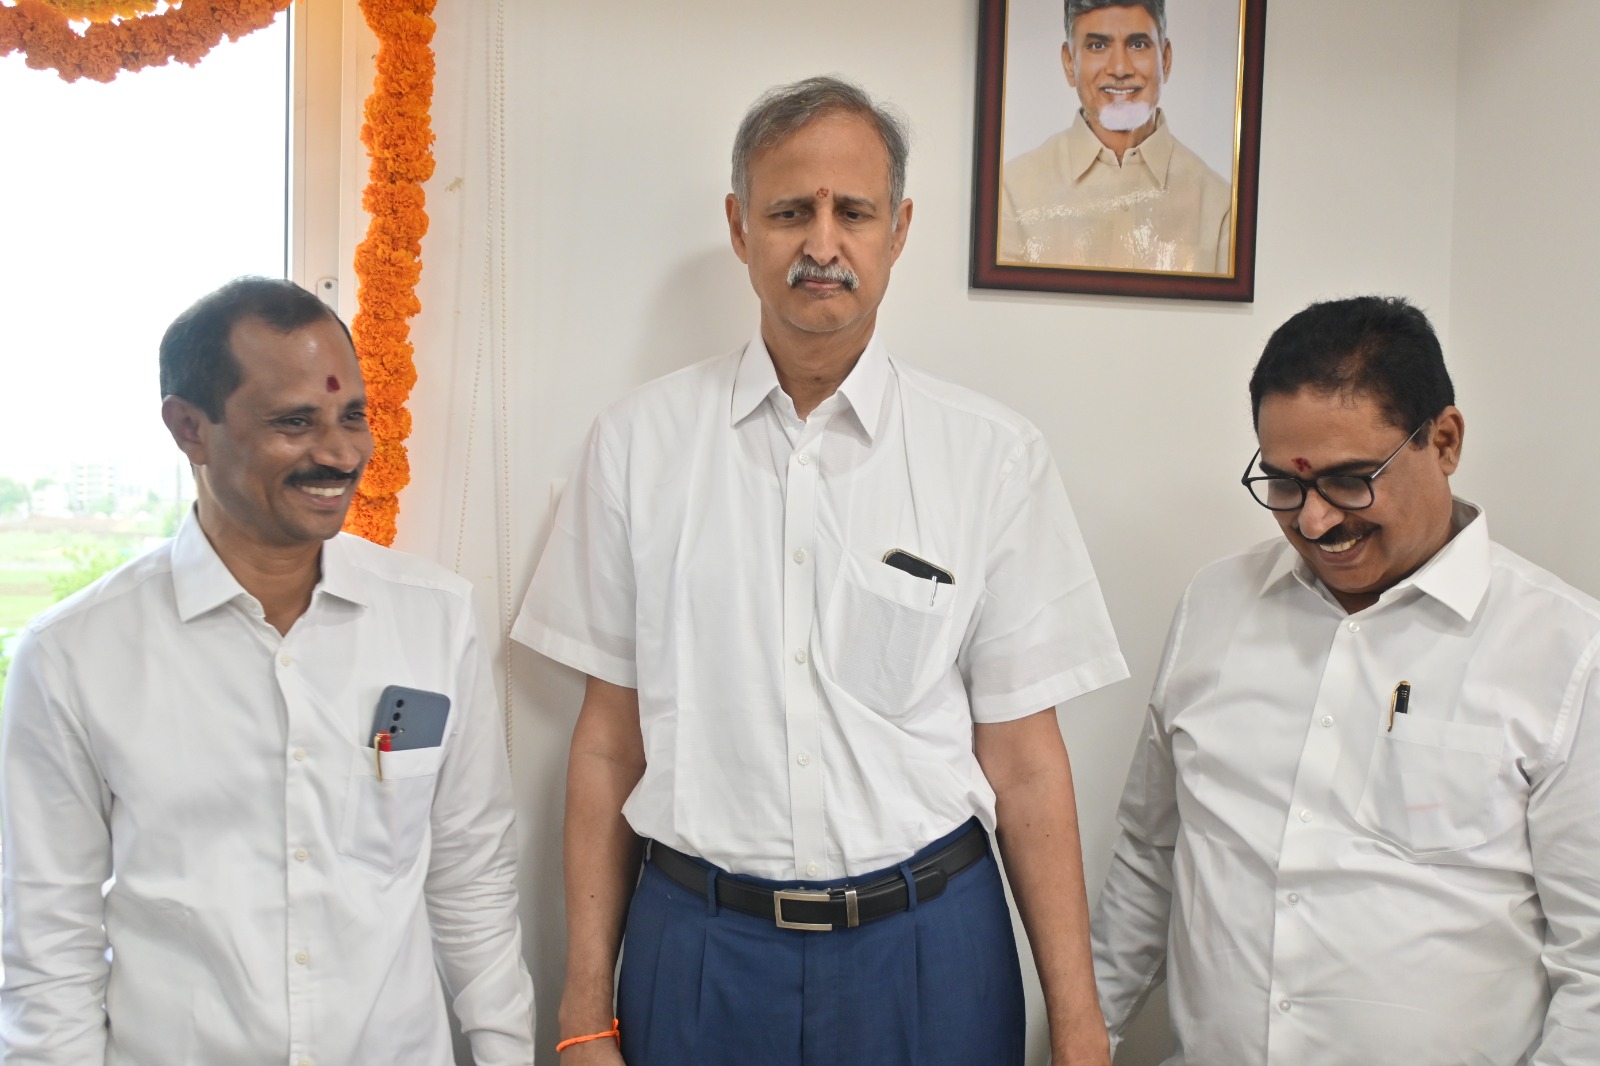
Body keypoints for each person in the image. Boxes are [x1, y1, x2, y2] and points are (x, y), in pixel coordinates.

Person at [515, 76, 1127, 1066]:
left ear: (899, 230)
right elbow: (607, 743)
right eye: (790, 211)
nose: (823, 242)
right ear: (739, 226)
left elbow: (1023, 760)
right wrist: (584, 1005)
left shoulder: (991, 456)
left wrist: (1081, 1024)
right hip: (700, 949)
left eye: (855, 213)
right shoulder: (634, 446)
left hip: (930, 949)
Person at [0, 278, 536, 1065]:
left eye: (352, 416)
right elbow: (50, 947)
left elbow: (472, 877)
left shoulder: (434, 618)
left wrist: (506, 1053)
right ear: (190, 429)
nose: (341, 454)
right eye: (295, 422)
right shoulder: (73, 655)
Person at [1091, 295, 1600, 1064]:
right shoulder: (1214, 605)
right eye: (1284, 485)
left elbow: (1591, 961)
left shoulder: (1564, 651)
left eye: (1351, 480)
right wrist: (1085, 1031)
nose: (1315, 521)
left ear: (1445, 440)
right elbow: (1148, 855)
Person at [999, 0, 1232, 272]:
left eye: (1138, 44)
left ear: (1166, 60)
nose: (1120, 68)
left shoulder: (1221, 207)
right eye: (1098, 46)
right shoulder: (1011, 194)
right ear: (1069, 62)